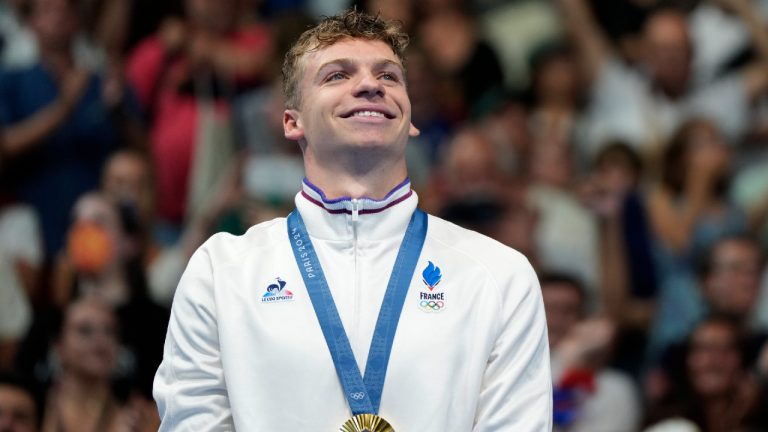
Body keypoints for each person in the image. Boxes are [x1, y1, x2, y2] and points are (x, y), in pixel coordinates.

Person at [153, 9, 552, 431]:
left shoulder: (499, 276)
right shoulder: (221, 271)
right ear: (293, 121)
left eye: (389, 76)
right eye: (337, 76)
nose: (369, 85)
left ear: (411, 121)